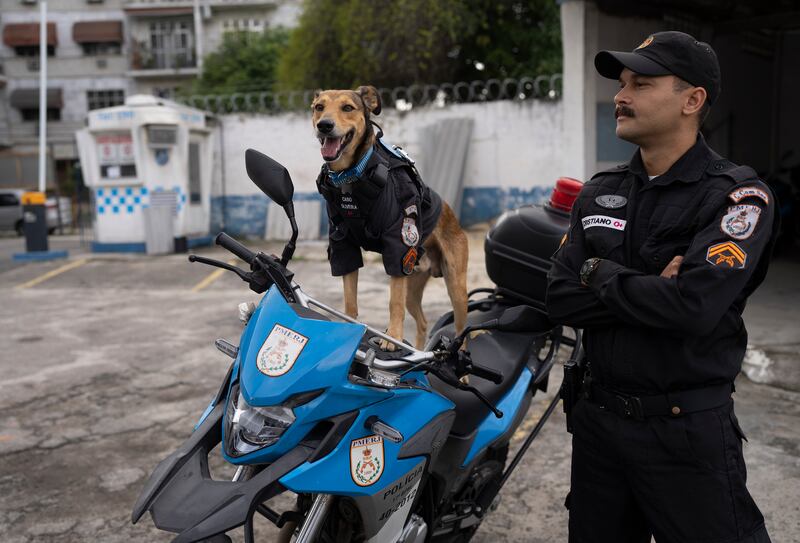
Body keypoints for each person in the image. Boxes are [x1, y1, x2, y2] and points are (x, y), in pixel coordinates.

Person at [546, 31, 777, 543]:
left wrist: (599, 274)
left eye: (642, 84)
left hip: (685, 436)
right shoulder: (599, 192)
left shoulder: (737, 197)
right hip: (599, 430)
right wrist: (649, 288)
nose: (621, 96)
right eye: (622, 83)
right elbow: (559, 295)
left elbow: (693, 308)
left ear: (692, 100)